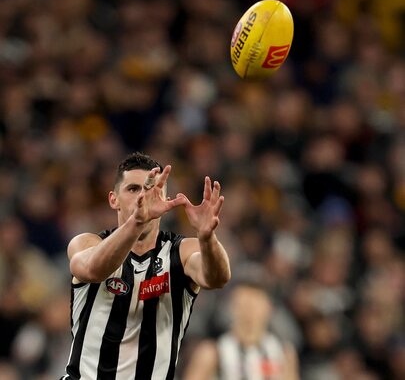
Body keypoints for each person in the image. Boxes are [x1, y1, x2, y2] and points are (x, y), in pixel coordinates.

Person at [60, 151, 231, 380]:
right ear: (114, 199)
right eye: (133, 189)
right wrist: (137, 223)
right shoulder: (88, 243)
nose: (143, 197)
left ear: (165, 198)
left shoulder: (181, 252)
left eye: (152, 190)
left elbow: (217, 278)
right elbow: (92, 269)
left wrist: (208, 238)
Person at [182, 281, 299, 380]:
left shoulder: (284, 353)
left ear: (269, 308)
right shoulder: (212, 352)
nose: (249, 312)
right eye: (244, 305)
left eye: (255, 305)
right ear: (231, 307)